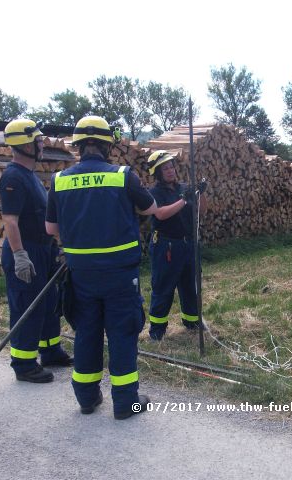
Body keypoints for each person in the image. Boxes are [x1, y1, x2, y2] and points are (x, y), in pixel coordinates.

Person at [45, 115, 157, 419]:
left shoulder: (60, 180)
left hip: (81, 274)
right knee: (122, 333)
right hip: (120, 273)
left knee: (86, 333)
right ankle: (125, 403)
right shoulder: (123, 176)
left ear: (79, 146)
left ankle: (87, 398)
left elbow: (51, 229)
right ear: (108, 145)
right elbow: (150, 208)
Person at [0, 118, 72, 384]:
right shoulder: (13, 177)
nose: (41, 144)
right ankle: (24, 363)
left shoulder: (29, 175)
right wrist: (20, 256)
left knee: (49, 304)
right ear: (23, 144)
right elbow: (10, 221)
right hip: (26, 252)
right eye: (37, 140)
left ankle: (50, 350)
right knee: (26, 307)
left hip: (43, 250)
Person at [146, 150, 207, 341]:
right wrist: (184, 200)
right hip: (167, 246)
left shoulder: (184, 187)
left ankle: (192, 321)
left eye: (171, 166)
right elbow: (161, 214)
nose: (170, 170)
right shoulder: (154, 193)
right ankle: (157, 330)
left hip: (188, 245)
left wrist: (201, 194)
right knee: (163, 287)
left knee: (191, 286)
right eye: (165, 168)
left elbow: (202, 211)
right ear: (157, 172)